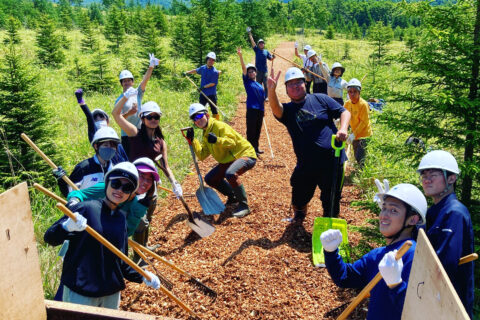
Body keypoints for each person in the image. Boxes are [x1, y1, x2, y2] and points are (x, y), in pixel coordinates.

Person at [44, 162, 160, 309]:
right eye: (116, 183)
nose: (119, 190)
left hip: (110, 295)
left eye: (127, 187)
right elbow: (50, 237)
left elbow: (121, 261)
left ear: (131, 193)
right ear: (107, 183)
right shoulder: (86, 209)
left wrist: (143, 275)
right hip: (82, 292)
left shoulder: (120, 220)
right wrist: (66, 227)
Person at [321, 183, 427, 320]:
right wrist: (331, 252)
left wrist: (396, 285)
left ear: (413, 219)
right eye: (384, 208)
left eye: (394, 211)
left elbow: (418, 312)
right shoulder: (378, 255)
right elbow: (345, 277)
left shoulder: (414, 256)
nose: (384, 215)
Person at [267, 67, 350, 222]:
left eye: (298, 82)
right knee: (299, 195)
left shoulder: (320, 99)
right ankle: (299, 214)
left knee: (331, 198)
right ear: (286, 90)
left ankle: (330, 225)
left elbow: (344, 112)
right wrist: (271, 91)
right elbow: (276, 109)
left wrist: (343, 128)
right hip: (306, 164)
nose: (295, 86)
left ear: (305, 84)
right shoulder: (288, 110)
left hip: (333, 160)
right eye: (290, 84)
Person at [113, 92, 182, 249]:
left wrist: (175, 182)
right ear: (142, 118)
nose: (153, 120)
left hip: (151, 185)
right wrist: (125, 97)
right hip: (134, 185)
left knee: (147, 219)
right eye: (149, 117)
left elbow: (165, 165)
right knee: (138, 219)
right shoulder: (134, 133)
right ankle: (133, 253)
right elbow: (116, 115)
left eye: (156, 117)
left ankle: (142, 249)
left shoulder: (160, 142)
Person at [416, 150, 474, 317]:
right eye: (424, 175)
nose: (426, 179)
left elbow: (443, 264)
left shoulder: (454, 213)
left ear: (451, 178)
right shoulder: (434, 211)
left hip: (450, 306)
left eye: (433, 174)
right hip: (434, 300)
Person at [185, 103, 257, 217]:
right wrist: (193, 140)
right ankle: (233, 196)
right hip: (229, 160)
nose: (197, 120)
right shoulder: (206, 134)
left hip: (244, 155)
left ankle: (244, 206)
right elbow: (202, 155)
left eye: (199, 116)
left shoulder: (219, 126)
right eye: (194, 119)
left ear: (207, 115)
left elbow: (232, 142)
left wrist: (217, 140)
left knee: (231, 173)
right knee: (210, 178)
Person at [53, 127, 121, 198]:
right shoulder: (83, 168)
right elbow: (69, 193)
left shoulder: (115, 170)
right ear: (96, 146)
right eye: (105, 145)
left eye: (113, 146)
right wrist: (61, 180)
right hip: (85, 208)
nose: (109, 149)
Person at [115, 53, 160, 152]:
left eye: (129, 81)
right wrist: (129, 113)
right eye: (124, 81)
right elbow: (118, 117)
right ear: (121, 84)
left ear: (132, 82)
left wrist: (151, 67)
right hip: (127, 135)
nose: (127, 83)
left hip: (141, 131)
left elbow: (145, 81)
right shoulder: (119, 100)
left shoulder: (137, 93)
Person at [74, 88, 128, 164]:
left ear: (107, 121)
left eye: (101, 117)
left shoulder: (115, 139)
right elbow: (89, 117)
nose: (99, 120)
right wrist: (81, 101)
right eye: (95, 119)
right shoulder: (95, 137)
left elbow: (125, 158)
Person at [237, 47, 265, 156]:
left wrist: (264, 110)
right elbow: (243, 68)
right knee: (251, 130)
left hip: (260, 110)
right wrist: (240, 56)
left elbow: (262, 98)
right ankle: (250, 150)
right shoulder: (247, 82)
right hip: (252, 109)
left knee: (258, 130)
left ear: (256, 73)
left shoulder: (259, 85)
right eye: (249, 71)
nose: (251, 72)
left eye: (253, 71)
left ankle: (256, 148)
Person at [344, 78, 372, 168]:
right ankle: (359, 170)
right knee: (356, 155)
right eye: (350, 92)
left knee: (361, 157)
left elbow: (364, 123)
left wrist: (353, 135)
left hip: (364, 135)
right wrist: (338, 120)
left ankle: (361, 175)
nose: (352, 94)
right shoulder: (347, 104)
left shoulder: (363, 104)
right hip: (355, 134)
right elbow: (343, 113)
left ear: (359, 92)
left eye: (355, 91)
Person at [185, 52, 221, 120]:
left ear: (214, 62)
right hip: (203, 93)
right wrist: (187, 72)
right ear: (207, 60)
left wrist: (203, 87)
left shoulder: (215, 72)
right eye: (209, 59)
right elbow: (196, 70)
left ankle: (216, 122)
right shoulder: (203, 68)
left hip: (211, 94)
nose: (211, 61)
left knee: (214, 110)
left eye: (212, 60)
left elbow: (213, 83)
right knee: (200, 108)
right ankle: (201, 121)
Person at [247, 27, 274, 100]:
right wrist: (250, 34)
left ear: (264, 44)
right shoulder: (256, 50)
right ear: (258, 45)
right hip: (258, 71)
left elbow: (270, 58)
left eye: (262, 43)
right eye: (260, 43)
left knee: (265, 84)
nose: (261, 44)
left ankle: (266, 96)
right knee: (259, 84)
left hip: (265, 70)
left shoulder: (266, 51)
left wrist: (273, 57)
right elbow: (253, 42)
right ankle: (259, 96)